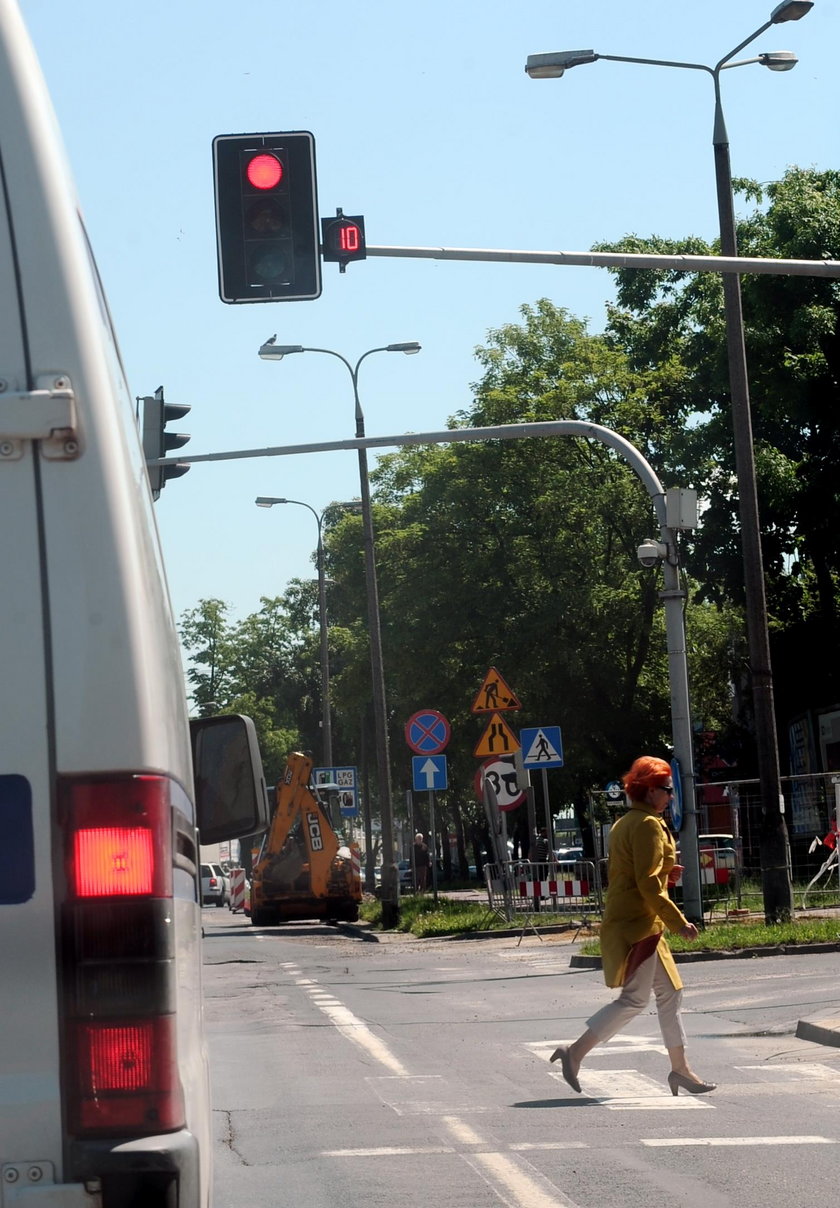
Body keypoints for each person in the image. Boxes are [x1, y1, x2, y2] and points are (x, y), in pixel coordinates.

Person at [549, 756, 716, 1098]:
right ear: (651, 791)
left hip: (637, 922)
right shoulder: (647, 825)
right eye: (667, 790)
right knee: (635, 999)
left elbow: (638, 873)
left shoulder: (626, 822)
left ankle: (680, 1069)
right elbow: (647, 884)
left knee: (670, 992)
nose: (671, 796)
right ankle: (575, 1052)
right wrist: (679, 921)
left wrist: (666, 874)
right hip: (639, 925)